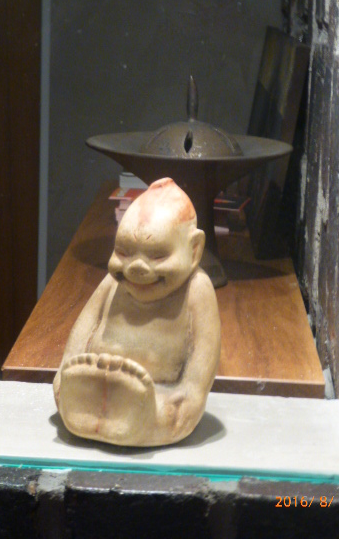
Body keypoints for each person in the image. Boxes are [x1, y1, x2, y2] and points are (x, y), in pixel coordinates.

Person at [54, 177, 221, 446]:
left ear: (194, 250)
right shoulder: (112, 283)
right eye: (123, 252)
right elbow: (83, 329)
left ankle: (137, 415)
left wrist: (187, 395)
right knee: (66, 386)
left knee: (173, 412)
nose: (135, 268)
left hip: (159, 397)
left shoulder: (197, 290)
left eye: (157, 256)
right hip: (90, 383)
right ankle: (88, 405)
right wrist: (65, 369)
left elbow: (198, 374)